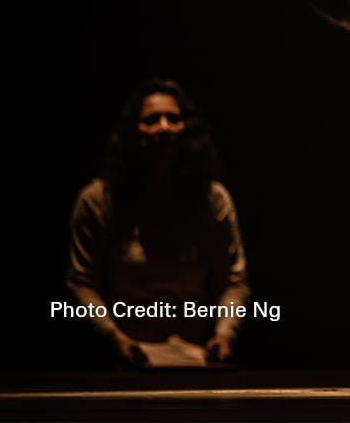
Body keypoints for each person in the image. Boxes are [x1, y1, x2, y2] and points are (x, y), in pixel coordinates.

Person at [66, 78, 250, 367]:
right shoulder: (98, 200)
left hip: (196, 357)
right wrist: (113, 336)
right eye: (151, 120)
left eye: (173, 119)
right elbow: (81, 281)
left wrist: (224, 334)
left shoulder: (212, 199)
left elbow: (233, 281)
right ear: (133, 130)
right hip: (126, 358)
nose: (164, 128)